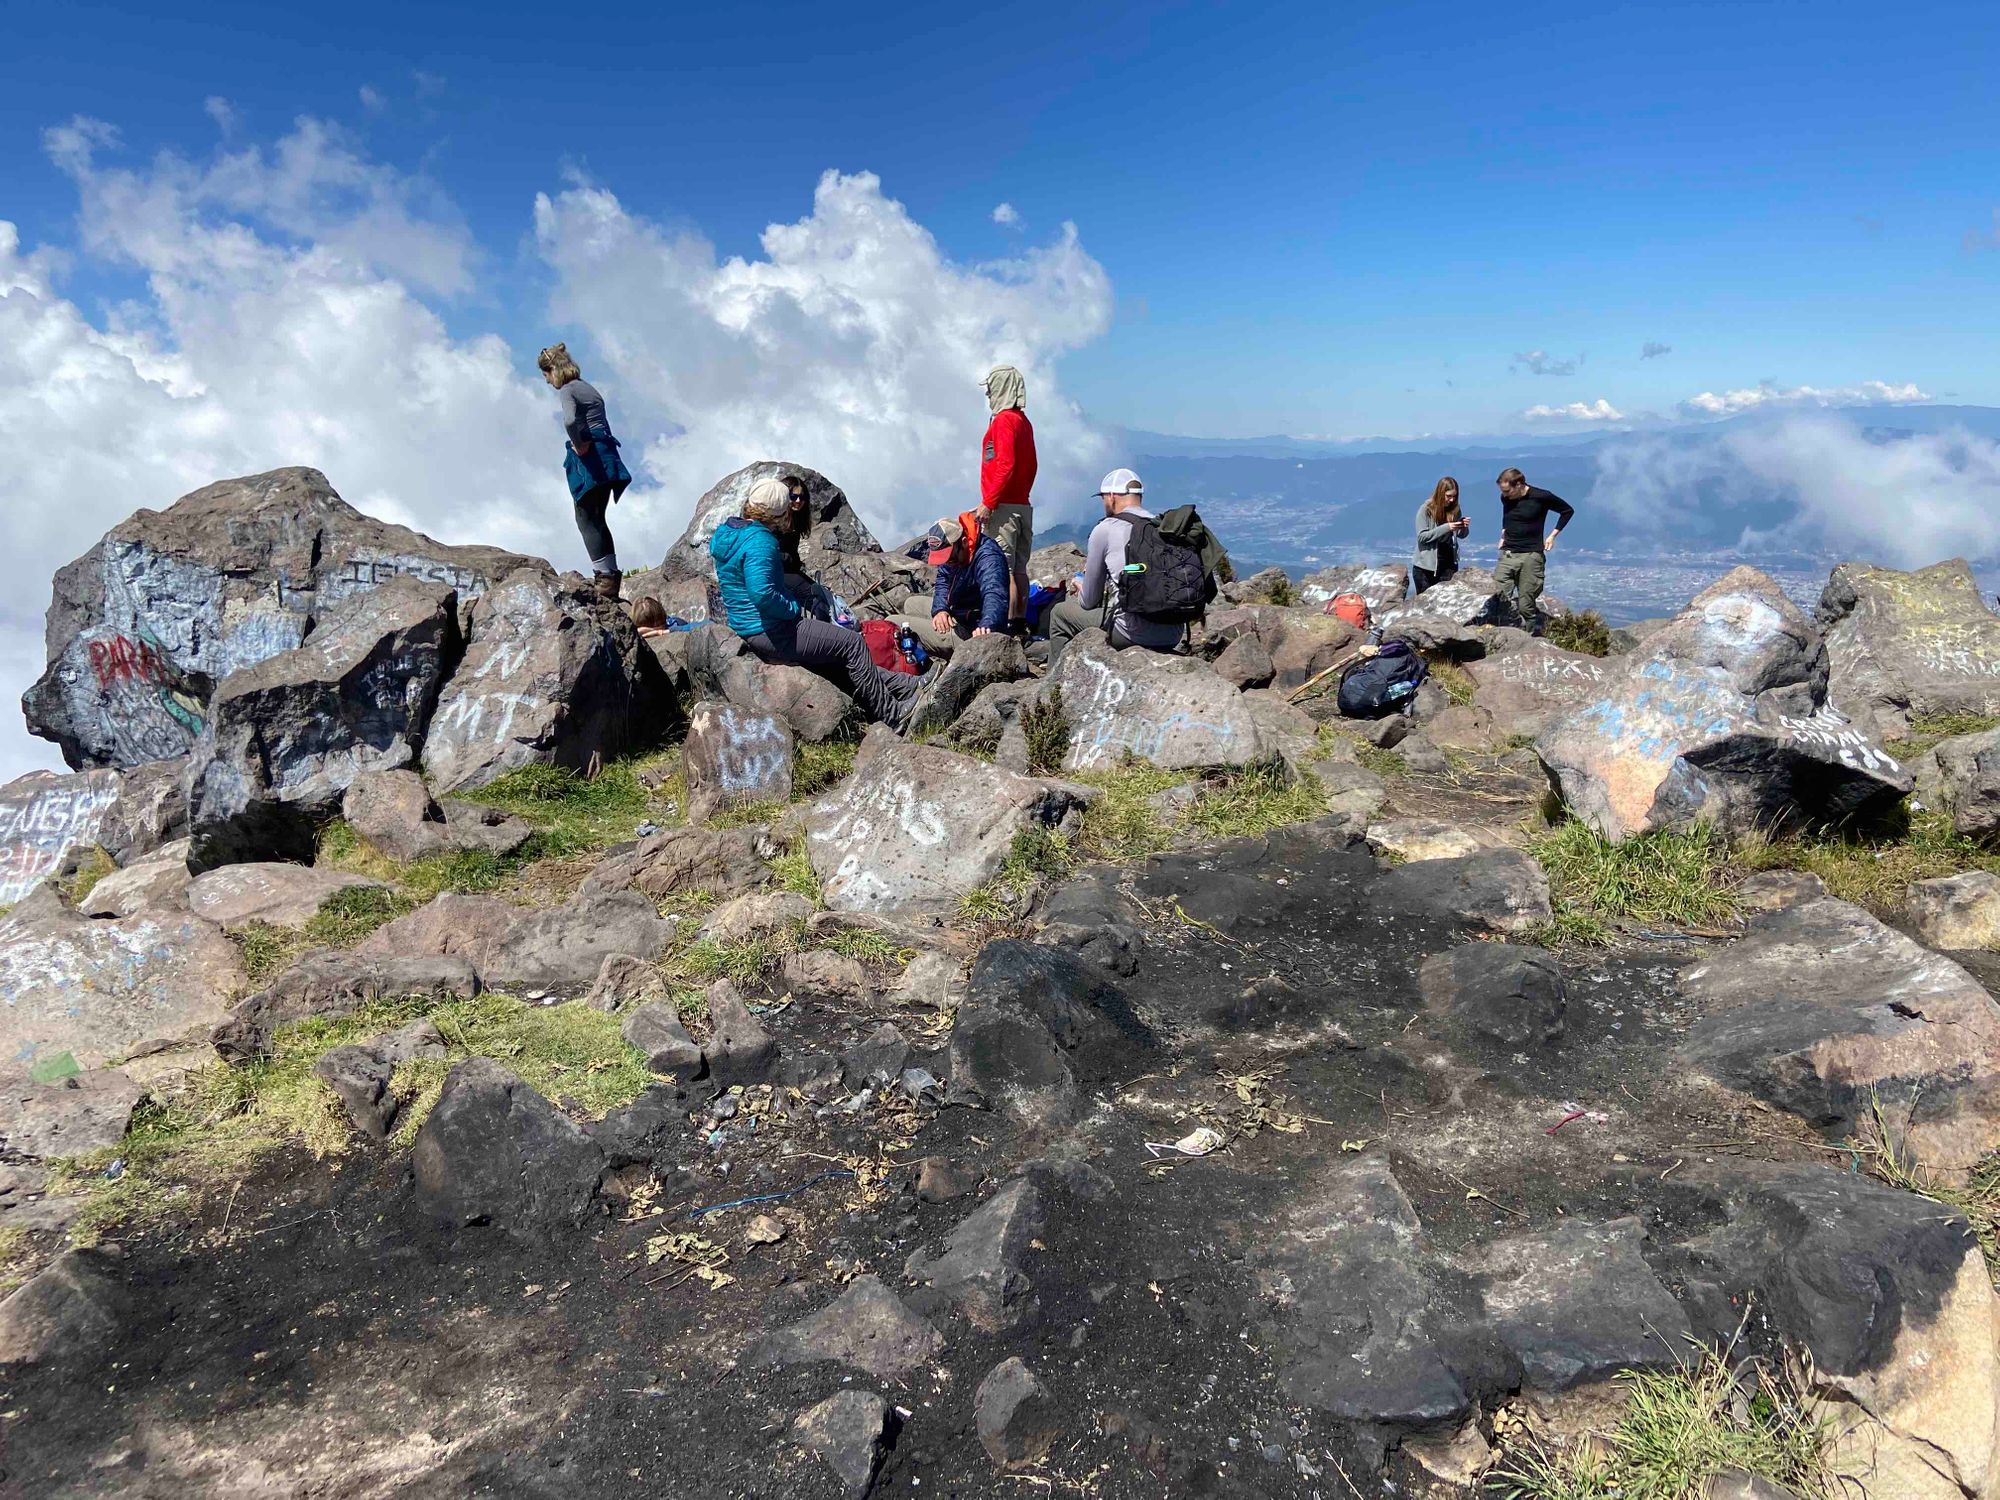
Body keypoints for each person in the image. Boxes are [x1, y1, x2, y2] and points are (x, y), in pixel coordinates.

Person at [711, 478, 921, 729]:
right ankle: (892, 714)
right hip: (771, 628)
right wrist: (791, 608)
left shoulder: (727, 533)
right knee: (852, 644)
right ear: (779, 512)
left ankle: (907, 685)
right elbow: (763, 594)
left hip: (747, 626)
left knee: (834, 655)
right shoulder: (761, 541)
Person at [1045, 469, 1197, 668]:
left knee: (1060, 613)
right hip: (1173, 634)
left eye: (1103, 498)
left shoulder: (1105, 529)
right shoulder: (1161, 527)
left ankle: (1053, 686)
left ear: (1111, 496)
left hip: (1128, 632)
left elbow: (1089, 602)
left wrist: (1080, 584)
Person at [538, 343, 632, 602]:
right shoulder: (587, 387)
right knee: (598, 517)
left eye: (546, 375)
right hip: (607, 452)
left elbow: (569, 420)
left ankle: (604, 579)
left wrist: (579, 444)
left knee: (585, 517)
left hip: (592, 456)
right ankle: (610, 578)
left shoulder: (568, 390)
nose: (547, 382)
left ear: (553, 370)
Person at [893, 512, 1009, 655]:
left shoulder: (988, 558)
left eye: (950, 559)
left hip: (972, 629)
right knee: (910, 603)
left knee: (893, 622)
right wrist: (940, 610)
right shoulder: (956, 550)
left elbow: (994, 593)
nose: (948, 562)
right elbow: (943, 578)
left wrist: (986, 627)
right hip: (958, 613)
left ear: (965, 542)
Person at [979, 366, 1038, 631]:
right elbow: (1031, 464)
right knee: (1020, 568)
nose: (989, 394)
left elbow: (1004, 464)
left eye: (991, 388)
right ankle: (1019, 621)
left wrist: (989, 502)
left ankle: (1004, 625)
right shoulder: (1023, 421)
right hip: (1022, 504)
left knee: (1003, 567)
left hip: (1003, 506)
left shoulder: (1003, 421)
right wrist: (1022, 493)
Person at [1493, 467, 1575, 635]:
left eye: (1508, 491)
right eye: (1503, 491)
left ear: (1519, 484)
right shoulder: (1506, 497)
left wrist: (1552, 536)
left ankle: (1529, 638)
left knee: (1526, 603)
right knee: (1499, 596)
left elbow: (1567, 511)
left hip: (1532, 555)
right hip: (1509, 552)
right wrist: (1504, 533)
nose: (1505, 495)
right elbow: (1508, 516)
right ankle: (1499, 636)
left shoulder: (1541, 496)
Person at [1412, 477, 1469, 596]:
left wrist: (1462, 526)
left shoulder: (1455, 510)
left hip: (1448, 564)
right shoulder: (1426, 510)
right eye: (1448, 496)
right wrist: (1447, 527)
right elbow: (1422, 537)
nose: (1451, 500)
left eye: (1454, 496)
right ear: (1440, 493)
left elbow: (1461, 535)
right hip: (1426, 568)